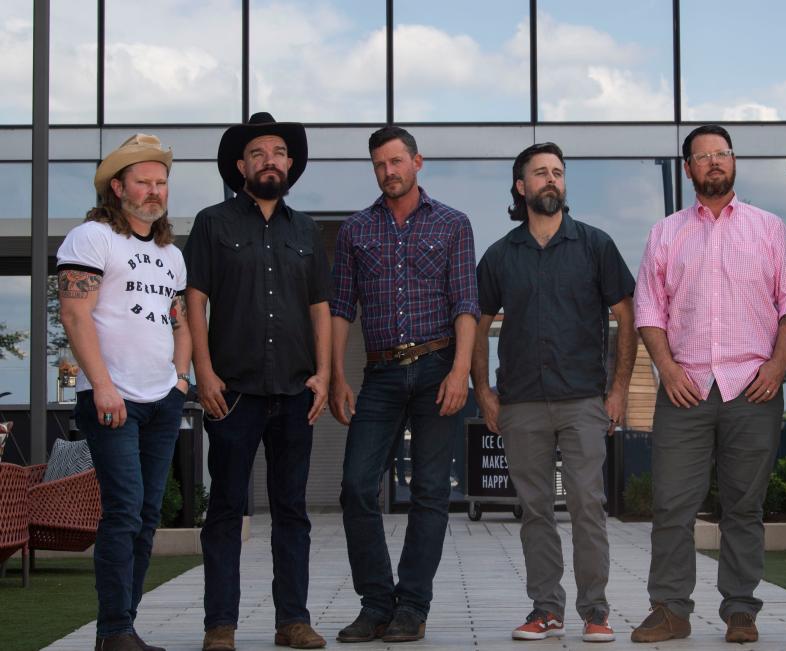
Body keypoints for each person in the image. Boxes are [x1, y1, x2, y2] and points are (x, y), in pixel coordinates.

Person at [632, 125, 786, 644]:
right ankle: (670, 610)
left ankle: (740, 611)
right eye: (703, 156)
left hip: (753, 387)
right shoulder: (665, 233)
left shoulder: (769, 229)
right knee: (671, 506)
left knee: (744, 507)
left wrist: (777, 368)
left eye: (722, 154)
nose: (714, 163)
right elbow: (648, 310)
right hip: (684, 387)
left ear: (734, 163)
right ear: (688, 169)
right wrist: (667, 370)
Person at [472, 142, 637, 643]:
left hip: (584, 400)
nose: (551, 180)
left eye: (558, 173)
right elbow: (477, 326)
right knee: (535, 511)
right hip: (520, 403)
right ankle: (546, 609)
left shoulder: (595, 245)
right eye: (540, 173)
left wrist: (619, 389)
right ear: (521, 187)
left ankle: (595, 611)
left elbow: (626, 317)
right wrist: (484, 391)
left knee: (588, 505)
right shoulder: (501, 255)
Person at [183, 113, 331, 651]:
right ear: (241, 166)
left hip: (295, 393)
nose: (269, 160)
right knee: (225, 509)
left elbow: (321, 308)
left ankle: (292, 620)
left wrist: (325, 372)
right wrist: (204, 371)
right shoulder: (212, 223)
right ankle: (219, 625)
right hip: (233, 392)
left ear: (290, 164)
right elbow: (194, 300)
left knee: (292, 510)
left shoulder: (307, 230)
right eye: (257, 153)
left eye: (277, 152)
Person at [329, 126, 479, 643]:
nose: (387, 172)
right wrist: (335, 376)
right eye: (379, 165)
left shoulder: (454, 224)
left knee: (431, 492)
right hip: (380, 374)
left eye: (395, 162)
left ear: (417, 162)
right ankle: (376, 604)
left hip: (439, 370)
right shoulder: (355, 231)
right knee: (354, 486)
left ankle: (412, 607)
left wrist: (461, 372)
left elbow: (466, 304)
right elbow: (341, 309)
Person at [58, 134, 191, 651]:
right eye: (143, 181)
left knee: (145, 516)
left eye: (161, 182)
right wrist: (104, 386)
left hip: (162, 400)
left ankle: (124, 628)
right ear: (118, 187)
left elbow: (179, 322)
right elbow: (74, 313)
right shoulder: (91, 238)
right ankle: (113, 631)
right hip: (112, 400)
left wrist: (180, 381)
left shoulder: (169, 254)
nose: (155, 191)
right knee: (124, 509)